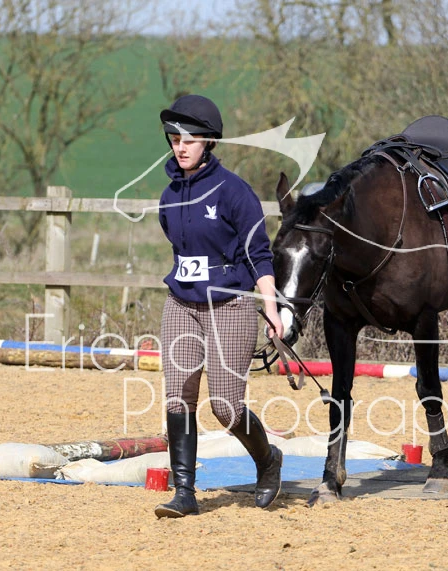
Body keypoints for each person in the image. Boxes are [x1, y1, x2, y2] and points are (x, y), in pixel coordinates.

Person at [153, 94, 284, 518]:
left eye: (189, 140)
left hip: (230, 304)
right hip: (181, 303)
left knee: (225, 405)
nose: (181, 147)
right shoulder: (169, 196)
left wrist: (271, 308)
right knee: (178, 396)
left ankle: (268, 460)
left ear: (208, 141)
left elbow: (259, 254)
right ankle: (185, 493)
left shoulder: (234, 192)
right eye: (175, 140)